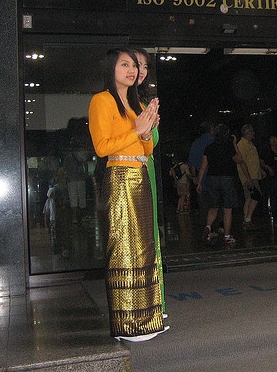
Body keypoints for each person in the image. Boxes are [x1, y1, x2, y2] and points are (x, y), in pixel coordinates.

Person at [88, 47, 168, 342]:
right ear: (111, 68)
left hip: (140, 174)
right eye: (125, 65)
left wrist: (146, 133)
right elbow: (102, 147)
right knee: (124, 248)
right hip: (120, 175)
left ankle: (148, 318)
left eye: (134, 65)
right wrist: (137, 130)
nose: (132, 70)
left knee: (144, 247)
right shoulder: (101, 100)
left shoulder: (134, 103)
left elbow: (146, 148)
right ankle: (128, 323)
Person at [135, 47, 167, 319]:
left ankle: (155, 305)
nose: (140, 71)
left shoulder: (141, 103)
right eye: (132, 64)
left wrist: (150, 127)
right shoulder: (112, 101)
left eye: (145, 66)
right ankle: (138, 309)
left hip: (146, 171)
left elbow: (151, 142)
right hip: (128, 174)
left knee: (150, 239)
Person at [197, 124, 244, 244]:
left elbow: (203, 167)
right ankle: (227, 236)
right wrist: (234, 144)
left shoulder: (209, 147)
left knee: (214, 207)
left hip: (212, 178)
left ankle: (208, 227)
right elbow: (239, 159)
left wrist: (199, 183)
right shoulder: (228, 146)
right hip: (227, 178)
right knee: (227, 208)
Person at [236, 124, 263, 229]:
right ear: (247, 133)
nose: (253, 133)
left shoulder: (250, 144)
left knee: (249, 198)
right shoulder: (242, 145)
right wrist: (248, 178)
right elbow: (241, 162)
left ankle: (247, 220)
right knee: (256, 196)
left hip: (253, 174)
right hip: (249, 176)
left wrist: (260, 170)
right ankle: (247, 219)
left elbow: (253, 159)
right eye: (251, 132)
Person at [188, 121, 215, 217]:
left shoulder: (196, 143)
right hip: (216, 176)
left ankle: (206, 223)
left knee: (204, 205)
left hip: (202, 178)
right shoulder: (215, 141)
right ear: (211, 130)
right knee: (218, 204)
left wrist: (194, 176)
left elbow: (192, 163)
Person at [259, 134, 277, 222]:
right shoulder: (266, 151)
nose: (273, 140)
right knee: (266, 195)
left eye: (275, 138)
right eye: (271, 138)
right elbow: (261, 162)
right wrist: (268, 168)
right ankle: (265, 216)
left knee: (276, 196)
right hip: (267, 177)